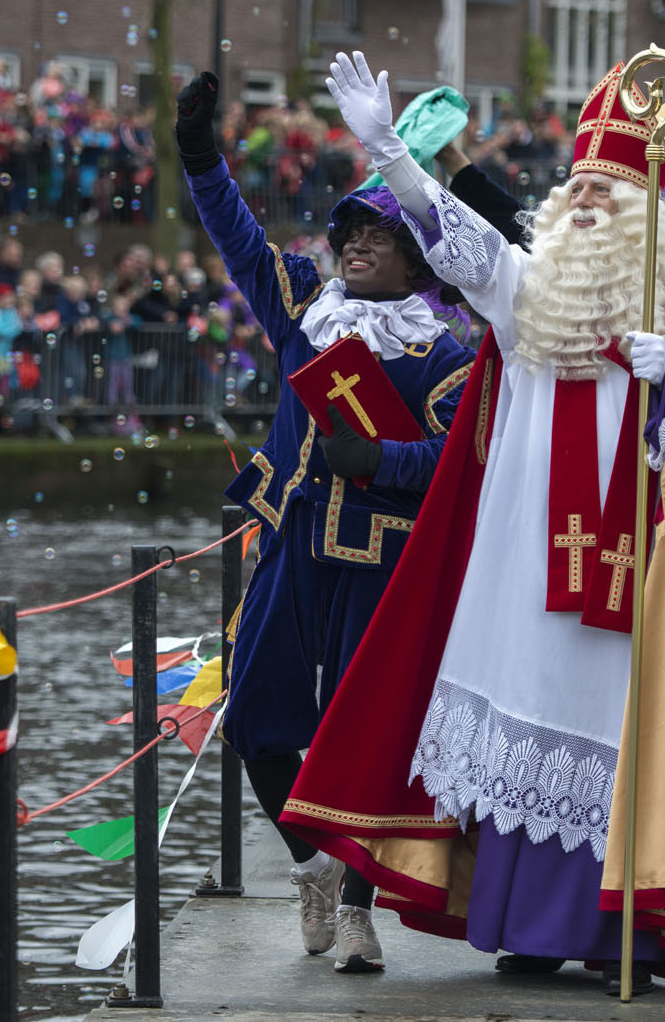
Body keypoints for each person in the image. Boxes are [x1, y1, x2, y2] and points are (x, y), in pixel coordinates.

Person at [282, 52, 665, 993]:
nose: (583, 205)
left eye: (607, 193)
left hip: (633, 581)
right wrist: (386, 146)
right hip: (519, 573)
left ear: (649, 218)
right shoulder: (527, 288)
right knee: (524, 727)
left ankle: (633, 929)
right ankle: (523, 923)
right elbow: (455, 237)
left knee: (622, 741)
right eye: (575, 188)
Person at [176, 70, 480, 975]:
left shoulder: (445, 354)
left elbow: (455, 468)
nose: (358, 246)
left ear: (418, 261)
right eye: (351, 231)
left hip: (381, 566)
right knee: (253, 719)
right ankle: (309, 868)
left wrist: (379, 461)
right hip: (291, 547)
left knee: (366, 740)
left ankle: (358, 908)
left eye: (381, 237)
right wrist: (200, 154)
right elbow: (234, 234)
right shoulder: (305, 309)